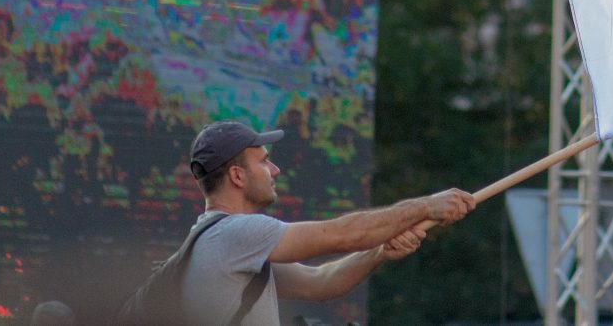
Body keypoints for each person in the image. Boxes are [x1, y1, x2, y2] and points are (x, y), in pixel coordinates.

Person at [178, 121, 475, 325]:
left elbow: (320, 283)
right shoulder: (234, 234)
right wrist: (426, 205)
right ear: (237, 176)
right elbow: (343, 235)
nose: (275, 170)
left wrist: (380, 251)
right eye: (264, 162)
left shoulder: (223, 245)